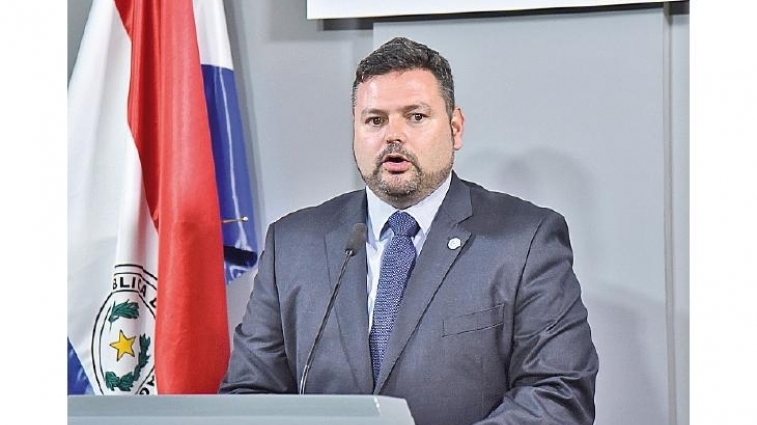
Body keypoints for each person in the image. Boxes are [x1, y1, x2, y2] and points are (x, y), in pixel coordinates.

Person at [219, 36, 599, 425]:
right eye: (375, 120)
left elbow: (558, 394)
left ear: (455, 128)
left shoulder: (526, 240)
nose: (393, 135)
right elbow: (249, 396)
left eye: (415, 116)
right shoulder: (292, 244)